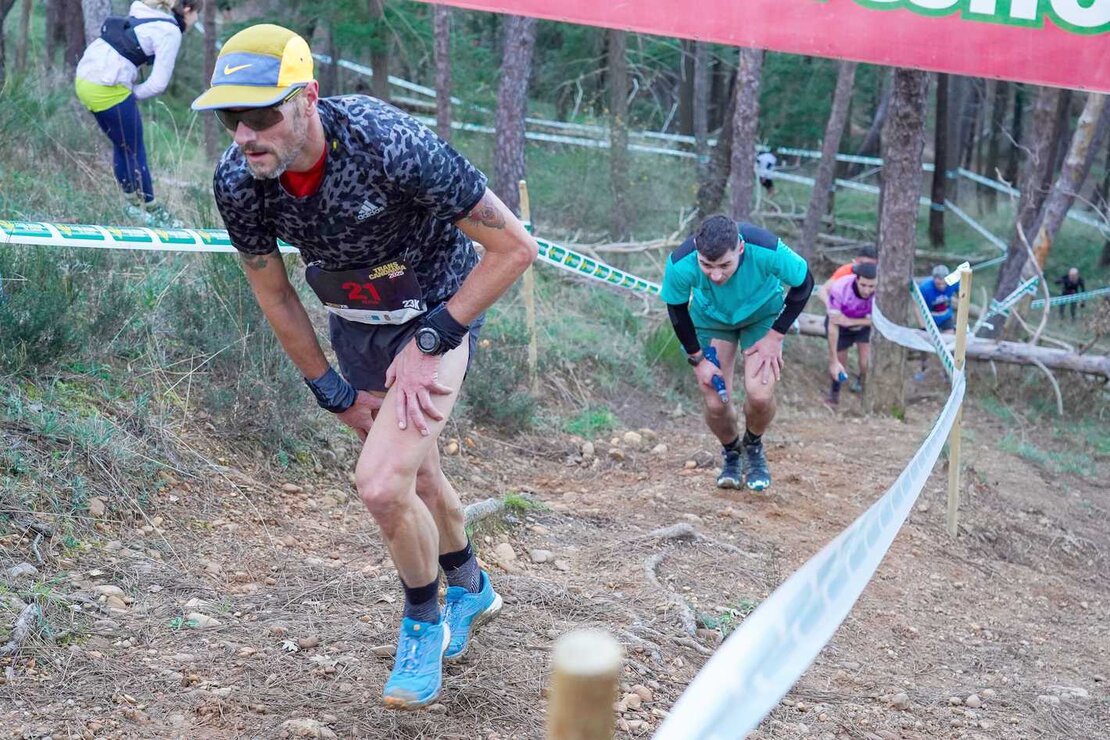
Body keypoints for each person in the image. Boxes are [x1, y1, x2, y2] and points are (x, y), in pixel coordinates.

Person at [191, 25, 538, 710]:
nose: (244, 135)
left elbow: (514, 249)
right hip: (355, 321)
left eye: (261, 114)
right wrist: (331, 389)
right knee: (420, 473)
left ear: (307, 100)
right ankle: (472, 588)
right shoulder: (239, 183)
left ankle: (422, 622)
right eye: (230, 117)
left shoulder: (390, 145)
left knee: (381, 486)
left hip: (438, 311)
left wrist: (434, 339)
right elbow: (273, 293)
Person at [661, 215, 813, 491]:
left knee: (760, 395)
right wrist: (697, 359)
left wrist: (776, 336)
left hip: (763, 316)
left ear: (740, 248)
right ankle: (732, 453)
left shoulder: (767, 248)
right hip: (711, 320)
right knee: (716, 402)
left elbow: (804, 283)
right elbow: (677, 309)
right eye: (707, 265)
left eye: (724, 265)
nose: (716, 275)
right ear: (697, 249)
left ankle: (753, 446)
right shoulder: (680, 263)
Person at [74, 0, 201, 224]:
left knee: (123, 145)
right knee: (134, 148)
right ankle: (152, 210)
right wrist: (132, 93)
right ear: (189, 10)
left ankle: (132, 204)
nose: (197, 20)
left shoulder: (146, 11)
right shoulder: (170, 31)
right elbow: (158, 84)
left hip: (86, 77)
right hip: (106, 86)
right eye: (197, 13)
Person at [824, 262, 877, 405]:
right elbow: (833, 324)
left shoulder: (881, 292)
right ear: (856, 279)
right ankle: (834, 392)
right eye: (863, 285)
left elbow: (881, 322)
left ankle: (865, 388)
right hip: (840, 327)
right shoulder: (840, 288)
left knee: (865, 362)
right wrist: (833, 359)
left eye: (871, 286)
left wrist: (851, 321)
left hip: (863, 324)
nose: (867, 290)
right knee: (840, 361)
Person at [919, 264, 959, 331]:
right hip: (929, 318)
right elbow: (917, 306)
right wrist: (922, 326)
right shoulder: (925, 288)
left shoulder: (953, 283)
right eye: (938, 284)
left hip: (946, 316)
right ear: (933, 279)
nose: (941, 286)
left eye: (944, 283)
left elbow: (962, 295)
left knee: (949, 335)